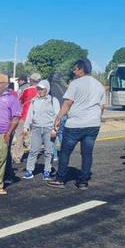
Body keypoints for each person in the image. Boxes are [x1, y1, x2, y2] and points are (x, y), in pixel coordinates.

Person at [47, 59, 106, 190]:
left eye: (75, 69)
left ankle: (60, 179)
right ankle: (83, 181)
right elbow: (102, 106)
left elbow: (67, 104)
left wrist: (58, 118)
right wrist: (96, 118)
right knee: (87, 153)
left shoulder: (75, 84)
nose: (74, 72)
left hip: (75, 124)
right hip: (93, 124)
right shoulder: (99, 85)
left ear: (81, 69)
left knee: (65, 152)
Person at [22, 80, 61, 181]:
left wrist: (55, 129)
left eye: (42, 89)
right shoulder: (34, 100)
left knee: (49, 152)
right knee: (33, 150)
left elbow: (57, 116)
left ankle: (47, 171)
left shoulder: (53, 100)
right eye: (38, 89)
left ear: (47, 89)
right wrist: (26, 127)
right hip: (36, 128)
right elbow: (30, 114)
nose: (39, 91)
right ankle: (29, 171)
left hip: (49, 129)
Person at [12, 73, 41, 164]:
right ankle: (33, 156)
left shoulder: (27, 90)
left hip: (24, 116)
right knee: (34, 137)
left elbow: (19, 101)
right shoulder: (44, 91)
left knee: (19, 137)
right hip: (37, 117)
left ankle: (17, 157)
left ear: (31, 80)